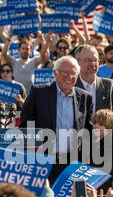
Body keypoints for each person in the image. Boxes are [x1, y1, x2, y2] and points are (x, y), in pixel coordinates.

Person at [19, 55, 93, 183]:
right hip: (44, 162)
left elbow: (90, 131)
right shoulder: (39, 93)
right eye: (65, 73)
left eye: (74, 74)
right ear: (55, 73)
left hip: (73, 164)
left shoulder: (85, 98)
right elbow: (25, 127)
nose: (69, 77)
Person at [74, 45, 113, 124]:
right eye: (88, 60)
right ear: (77, 63)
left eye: (95, 60)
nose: (93, 64)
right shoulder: (70, 87)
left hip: (106, 136)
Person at [91, 109, 113, 191]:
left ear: (110, 126)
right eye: (94, 123)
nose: (96, 126)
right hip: (97, 180)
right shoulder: (94, 140)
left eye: (100, 124)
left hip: (110, 180)